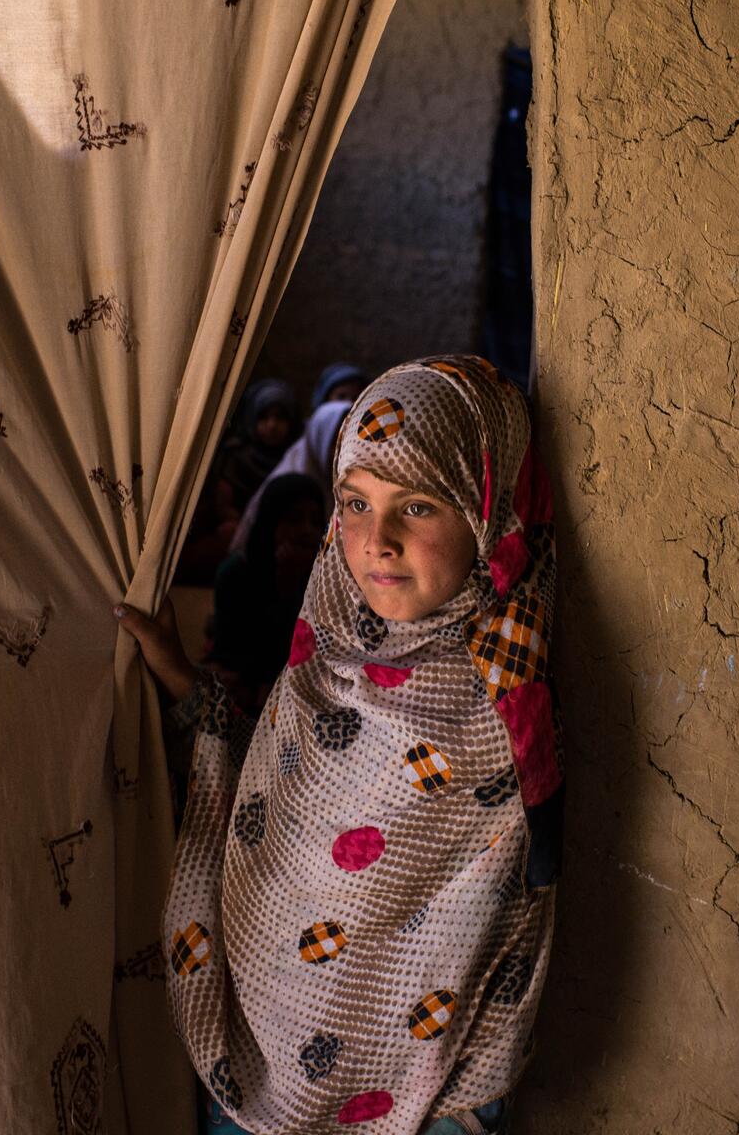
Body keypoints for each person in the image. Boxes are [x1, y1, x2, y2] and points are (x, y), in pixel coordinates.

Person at [116, 355, 561, 1134]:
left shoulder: (501, 709)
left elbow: (510, 921)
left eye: (419, 506)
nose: (376, 540)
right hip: (253, 1062)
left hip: (426, 1104)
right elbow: (279, 793)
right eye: (355, 503)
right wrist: (189, 689)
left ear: (491, 515)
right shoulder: (323, 654)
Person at [212, 472, 327, 717]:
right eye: (293, 519)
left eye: (316, 521)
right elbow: (235, 656)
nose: (307, 530)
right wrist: (284, 590)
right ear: (269, 521)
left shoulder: (325, 577)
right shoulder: (237, 575)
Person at [176, 379, 300, 586]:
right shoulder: (235, 457)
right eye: (264, 417)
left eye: (280, 418)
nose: (272, 425)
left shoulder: (295, 459)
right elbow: (223, 506)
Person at [228, 399, 350, 556]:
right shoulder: (289, 482)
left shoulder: (344, 482)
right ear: (320, 437)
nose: (344, 451)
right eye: (335, 441)